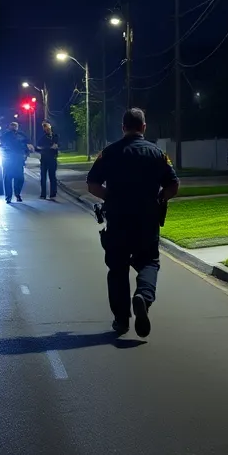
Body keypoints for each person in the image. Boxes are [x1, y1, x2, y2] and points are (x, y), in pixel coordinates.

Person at [85, 108, 179, 338]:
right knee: (148, 261)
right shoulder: (157, 153)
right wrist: (160, 198)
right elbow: (172, 185)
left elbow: (93, 185)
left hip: (118, 219)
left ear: (123, 127)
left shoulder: (109, 153)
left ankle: (121, 320)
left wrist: (112, 198)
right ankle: (143, 297)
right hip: (146, 219)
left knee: (117, 268)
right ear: (143, 127)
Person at [0, 120, 32, 203]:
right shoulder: (5, 135)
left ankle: (17, 194)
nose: (13, 127)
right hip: (8, 161)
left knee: (20, 178)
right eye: (12, 126)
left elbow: (27, 145)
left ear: (17, 127)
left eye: (15, 126)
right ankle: (8, 197)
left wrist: (26, 154)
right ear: (9, 127)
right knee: (8, 179)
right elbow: (2, 146)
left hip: (19, 160)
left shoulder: (22, 135)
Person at [37, 121, 60, 199]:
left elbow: (58, 144)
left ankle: (53, 193)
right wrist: (49, 147)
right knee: (43, 177)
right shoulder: (42, 138)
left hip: (52, 159)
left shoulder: (55, 136)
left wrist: (57, 147)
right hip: (44, 159)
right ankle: (43, 194)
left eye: (48, 128)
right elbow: (38, 147)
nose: (47, 130)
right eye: (45, 129)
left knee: (52, 176)